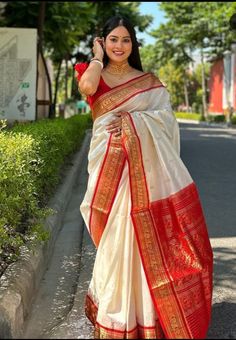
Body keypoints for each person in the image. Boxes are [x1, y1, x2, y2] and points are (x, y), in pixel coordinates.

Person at [75, 15, 213, 340]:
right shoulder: (93, 71)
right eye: (113, 40)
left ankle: (149, 317)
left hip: (145, 179)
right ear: (103, 42)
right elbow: (87, 88)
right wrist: (95, 57)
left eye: (126, 40)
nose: (119, 46)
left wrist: (134, 123)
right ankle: (117, 317)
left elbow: (166, 121)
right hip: (112, 173)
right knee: (116, 245)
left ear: (133, 44)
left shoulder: (149, 82)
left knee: (142, 243)